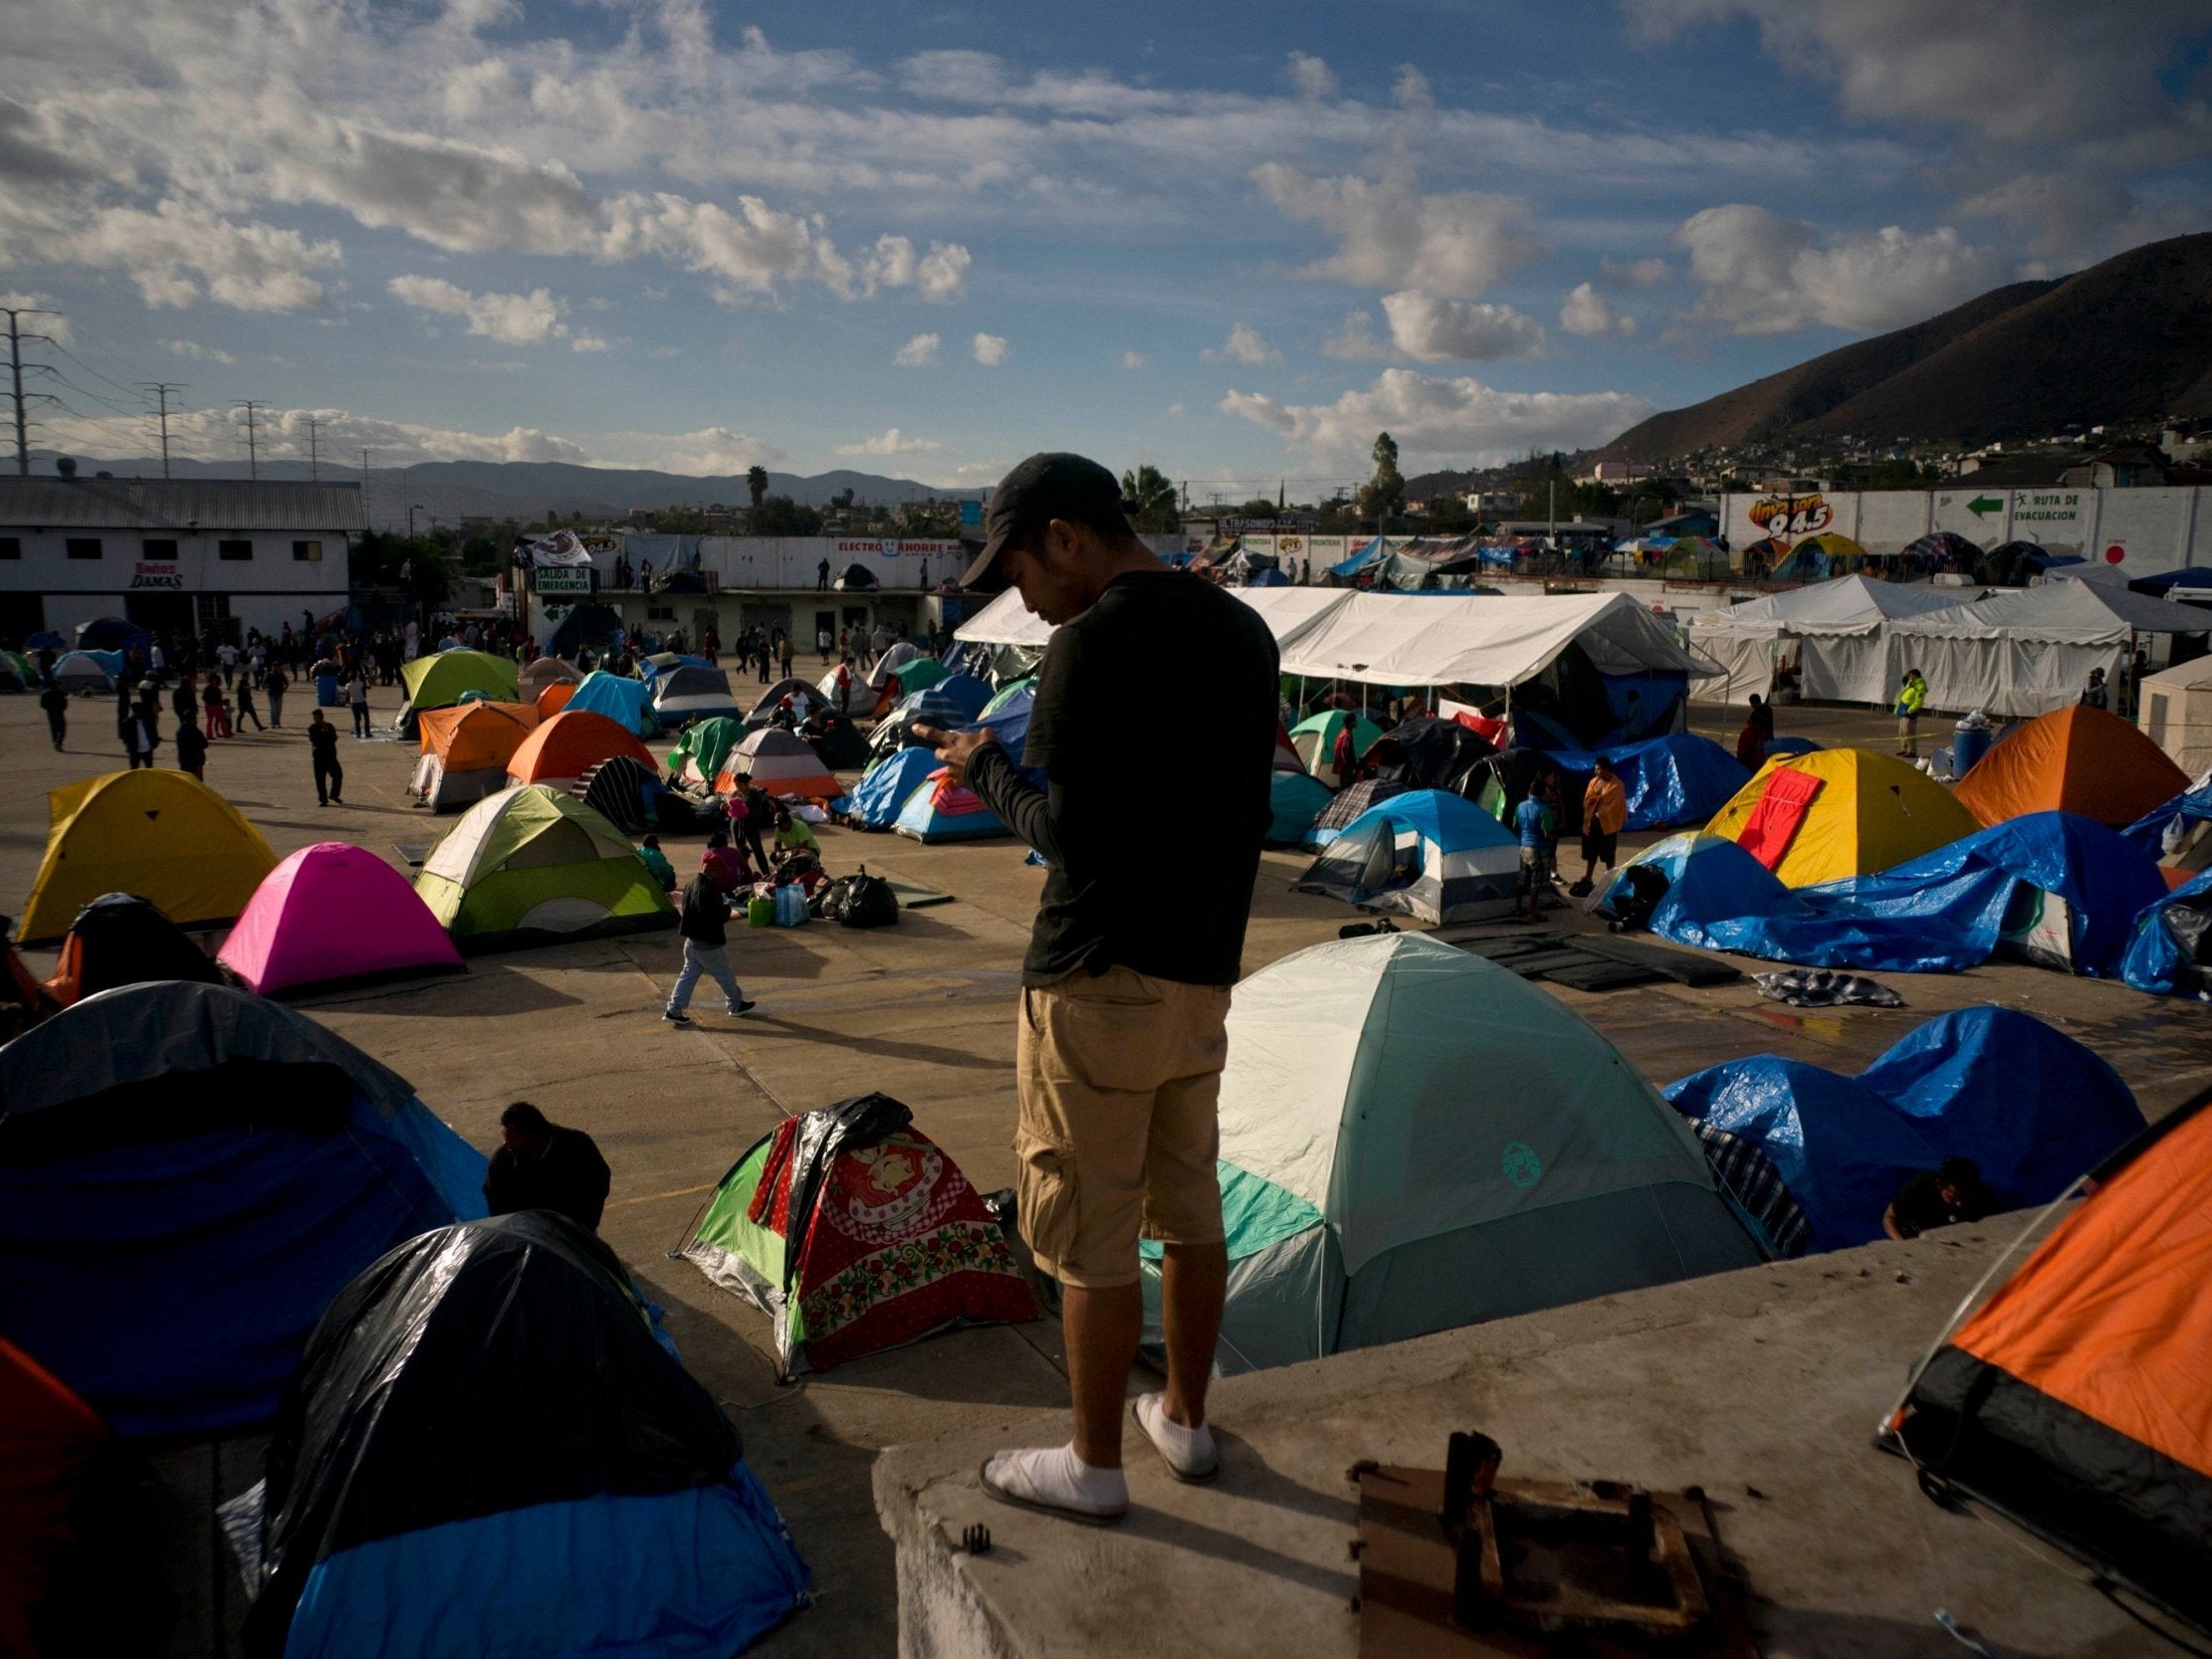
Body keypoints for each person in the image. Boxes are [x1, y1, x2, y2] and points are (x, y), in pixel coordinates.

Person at [917, 451, 1279, 1527]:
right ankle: (1187, 1419)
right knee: (1191, 1204)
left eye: (1020, 569)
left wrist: (986, 767)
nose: (1022, 599)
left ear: (1067, 535)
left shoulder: (1088, 644)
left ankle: (1092, 1460)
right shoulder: (1243, 633)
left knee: (1089, 1228)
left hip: (1093, 980)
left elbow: (1072, 845)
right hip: (1200, 977)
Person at [483, 1102, 612, 1231]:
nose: (507, 1144)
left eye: (513, 1139)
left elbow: (598, 1183)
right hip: (530, 1236)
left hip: (575, 1231)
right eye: (505, 1138)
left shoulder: (577, 1147)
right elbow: (497, 1205)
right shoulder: (502, 1161)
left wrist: (583, 1225)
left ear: (534, 1136)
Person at [664, 866, 755, 1026]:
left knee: (687, 977)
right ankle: (736, 1004)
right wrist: (726, 909)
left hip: (692, 942)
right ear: (714, 870)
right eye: (719, 871)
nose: (721, 875)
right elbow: (715, 916)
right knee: (724, 975)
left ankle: (674, 1010)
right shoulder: (708, 890)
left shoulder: (692, 882)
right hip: (709, 944)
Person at [1883, 1157, 1999, 1241]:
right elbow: (1889, 1217)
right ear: (1939, 1185)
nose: (1959, 1204)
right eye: (1953, 1197)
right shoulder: (1919, 1188)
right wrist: (1903, 1246)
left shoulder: (1985, 1198)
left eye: (1965, 1197)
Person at [1573, 757, 1627, 898]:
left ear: (1606, 770)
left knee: (1608, 855)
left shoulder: (1617, 786)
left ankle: (1609, 881)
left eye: (1598, 769)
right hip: (1591, 826)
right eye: (1595, 769)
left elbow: (1615, 808)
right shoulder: (1593, 782)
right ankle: (1588, 877)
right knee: (1591, 854)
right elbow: (1587, 801)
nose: (1595, 771)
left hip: (1607, 828)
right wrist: (1597, 799)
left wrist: (1599, 807)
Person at [1512, 776, 1557, 922]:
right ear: (1542, 792)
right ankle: (1533, 913)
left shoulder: (1520, 806)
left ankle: (1518, 908)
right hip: (1538, 848)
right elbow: (1546, 833)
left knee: (1522, 879)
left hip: (1523, 846)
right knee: (1535, 882)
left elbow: (1515, 825)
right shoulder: (1544, 809)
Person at [307, 708, 343, 805]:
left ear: (321, 717)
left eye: (316, 718)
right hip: (319, 758)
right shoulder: (313, 728)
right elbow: (316, 741)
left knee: (338, 775)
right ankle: (323, 799)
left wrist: (325, 730)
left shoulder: (329, 726)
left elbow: (334, 738)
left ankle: (334, 794)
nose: (315, 720)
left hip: (330, 757)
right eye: (314, 718)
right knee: (320, 780)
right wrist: (324, 733)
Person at [1894, 668, 1927, 758]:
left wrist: (1910, 710)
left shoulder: (1920, 686)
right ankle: (1904, 749)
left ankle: (1911, 751)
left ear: (1915, 676)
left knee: (1909, 732)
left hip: (1909, 712)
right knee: (1902, 732)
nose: (1910, 677)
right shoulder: (1911, 683)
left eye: (1911, 675)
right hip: (1903, 710)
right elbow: (1904, 682)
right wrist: (1906, 675)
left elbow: (1919, 701)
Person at [173, 715, 208, 780]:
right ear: (194, 720)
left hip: (183, 760)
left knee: (186, 781)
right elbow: (205, 744)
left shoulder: (179, 731)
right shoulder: (195, 731)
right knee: (197, 782)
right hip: (195, 760)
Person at [1330, 718, 1359, 788]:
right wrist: (1348, 763)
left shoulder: (1345, 732)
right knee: (1346, 786)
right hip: (1346, 766)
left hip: (1345, 765)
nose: (1356, 723)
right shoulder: (1346, 735)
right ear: (1351, 723)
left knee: (1345, 784)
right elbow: (1343, 750)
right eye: (1355, 721)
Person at [39, 677, 67, 750]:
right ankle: (59, 742)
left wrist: (49, 708)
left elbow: (42, 705)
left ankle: (55, 741)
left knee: (54, 728)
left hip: (50, 713)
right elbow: (65, 703)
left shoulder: (45, 694)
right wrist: (62, 709)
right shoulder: (60, 692)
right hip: (59, 712)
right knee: (62, 729)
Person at [347, 666, 371, 737]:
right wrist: (366, 680)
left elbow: (347, 696)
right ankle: (367, 732)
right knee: (366, 718)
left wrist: (349, 702)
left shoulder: (348, 685)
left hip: (354, 703)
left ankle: (358, 733)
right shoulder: (360, 683)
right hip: (362, 702)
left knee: (357, 719)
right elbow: (368, 687)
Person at [264, 661, 288, 728]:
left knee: (278, 708)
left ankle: (277, 722)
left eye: (277, 667)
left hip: (279, 693)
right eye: (275, 667)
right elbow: (264, 683)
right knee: (273, 708)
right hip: (271, 693)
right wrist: (268, 687)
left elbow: (286, 683)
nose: (277, 668)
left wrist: (284, 689)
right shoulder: (269, 674)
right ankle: (273, 722)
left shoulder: (281, 674)